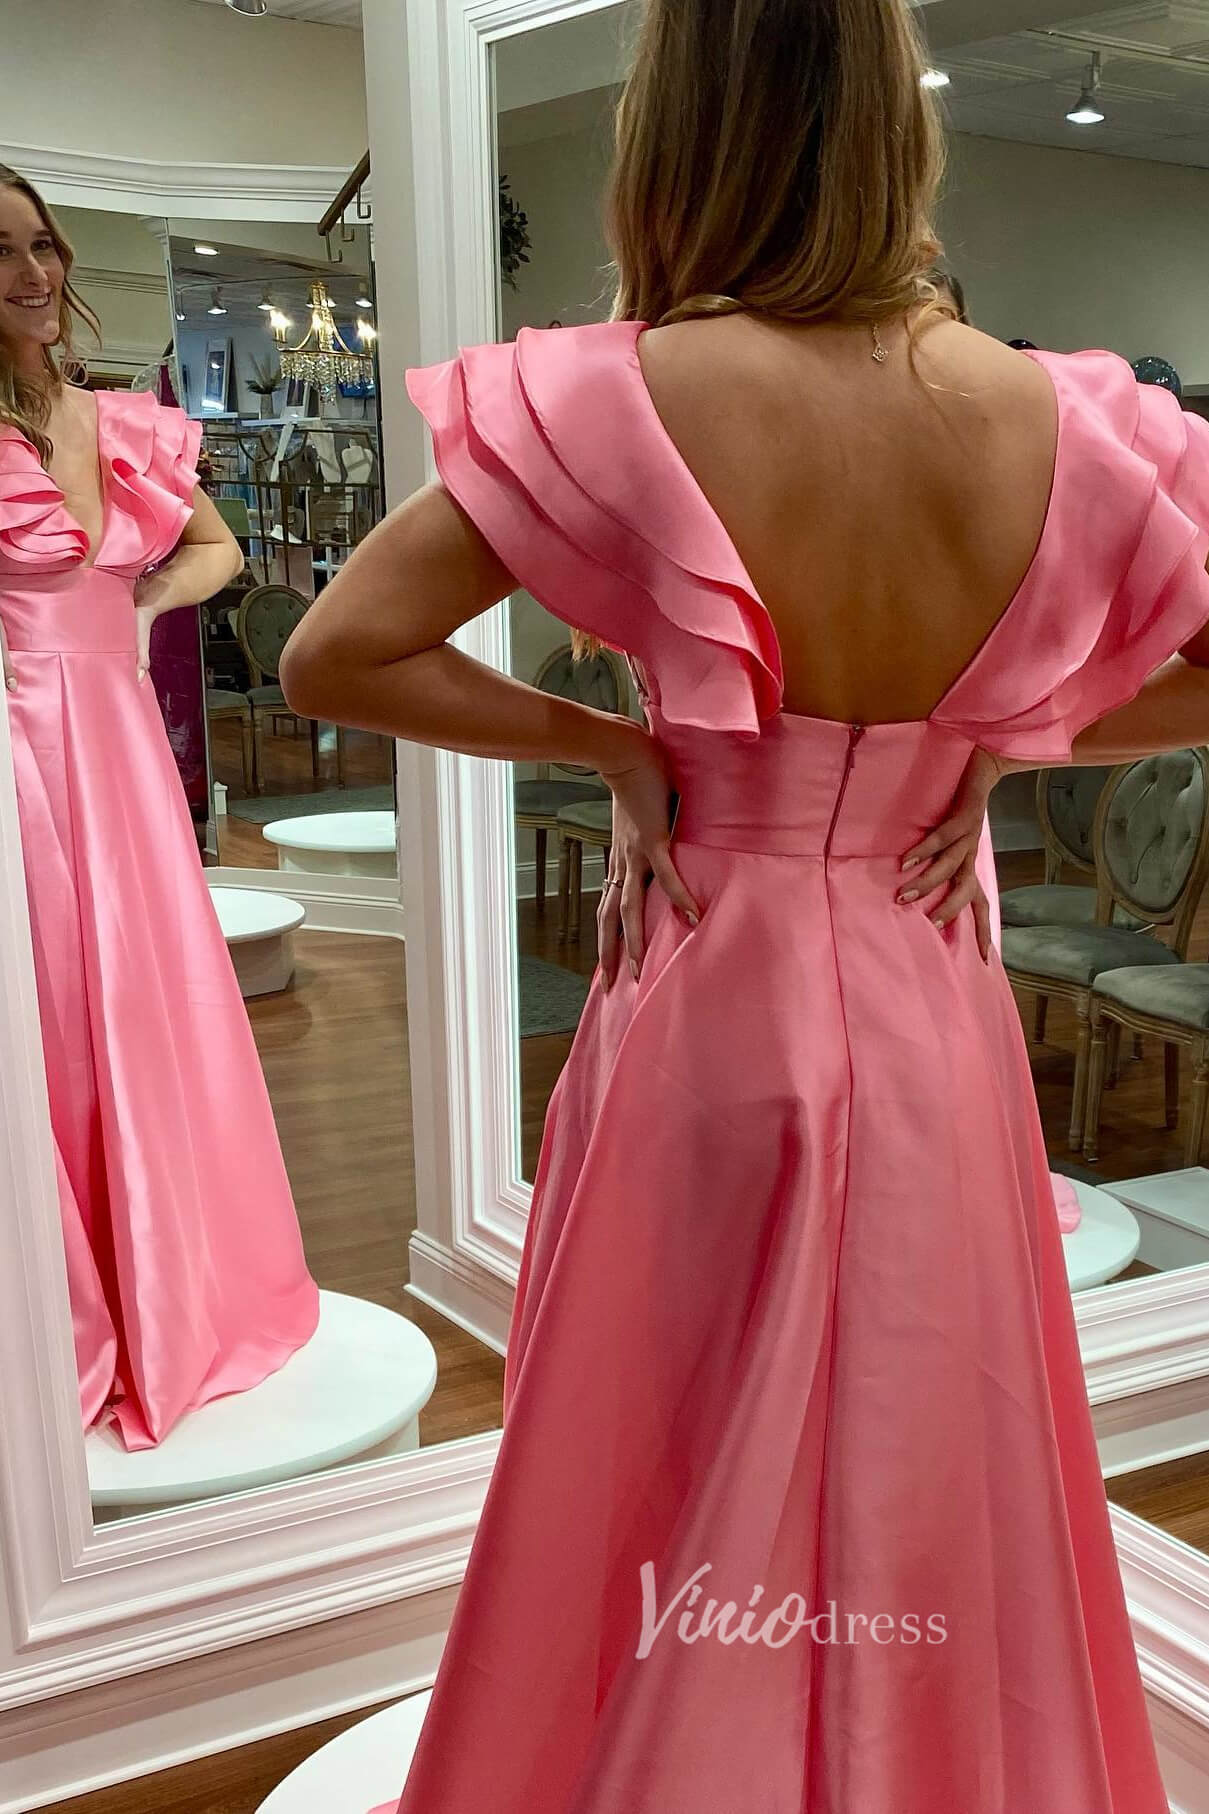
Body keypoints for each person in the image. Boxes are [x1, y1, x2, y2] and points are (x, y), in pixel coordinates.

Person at [280, 0, 1209, 1804]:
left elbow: (336, 653)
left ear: (677, 124)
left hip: (709, 985)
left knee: (673, 1427)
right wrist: (1001, 740)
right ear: (894, 125)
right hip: (928, 990)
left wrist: (618, 748)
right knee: (919, 1433)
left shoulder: (627, 388)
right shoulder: (1050, 413)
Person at [0, 166, 320, 1450]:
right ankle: (61, 1310)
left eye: (42, 245)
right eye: (1, 252)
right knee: (47, 1011)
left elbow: (218, 548)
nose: (33, 273)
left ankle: (174, 1287)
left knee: (139, 997)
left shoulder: (118, 422)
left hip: (118, 746)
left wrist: (136, 607)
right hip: (17, 746)